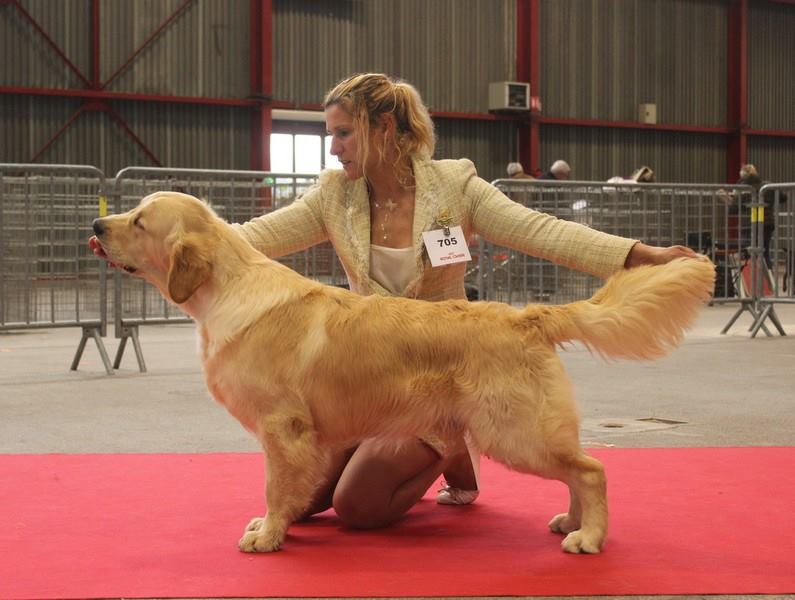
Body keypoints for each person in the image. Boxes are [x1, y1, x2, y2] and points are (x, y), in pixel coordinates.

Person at [89, 72, 696, 530]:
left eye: (343, 133)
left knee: (358, 508)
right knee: (302, 506)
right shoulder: (335, 195)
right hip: (364, 372)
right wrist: (151, 251)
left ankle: (454, 440)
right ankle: (446, 449)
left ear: (384, 130)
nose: (333, 149)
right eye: (330, 135)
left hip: (443, 365)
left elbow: (542, 231)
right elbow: (246, 244)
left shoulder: (453, 186)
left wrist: (639, 255)